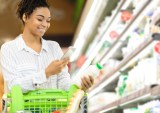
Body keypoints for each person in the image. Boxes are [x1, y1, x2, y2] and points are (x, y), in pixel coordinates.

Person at [0, 0, 94, 93]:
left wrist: (81, 85)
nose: (45, 24)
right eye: (40, 19)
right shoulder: (9, 49)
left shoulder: (54, 47)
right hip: (21, 108)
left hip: (54, 108)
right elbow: (12, 86)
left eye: (48, 20)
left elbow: (64, 85)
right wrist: (46, 73)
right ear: (25, 17)